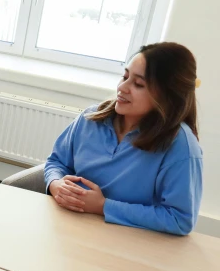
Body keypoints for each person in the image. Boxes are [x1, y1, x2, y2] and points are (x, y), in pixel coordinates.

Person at [45, 42, 203, 236]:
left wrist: (103, 206)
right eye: (125, 76)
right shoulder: (91, 118)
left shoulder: (180, 145)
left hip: (128, 244)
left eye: (138, 84)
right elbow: (57, 161)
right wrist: (56, 184)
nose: (122, 87)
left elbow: (180, 220)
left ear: (167, 96)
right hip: (68, 229)